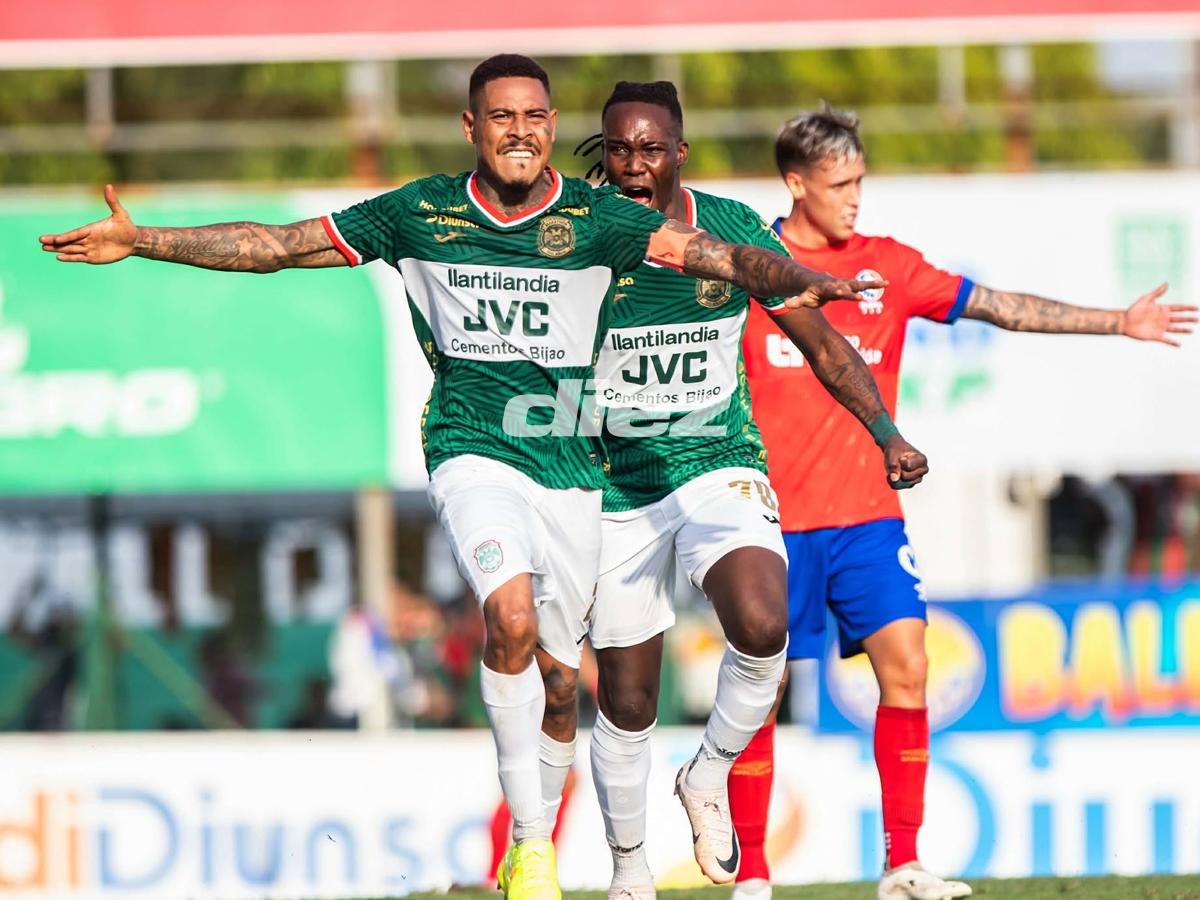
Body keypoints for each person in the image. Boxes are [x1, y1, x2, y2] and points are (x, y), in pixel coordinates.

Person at [39, 57, 883, 900]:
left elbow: (723, 258)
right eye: (502, 115)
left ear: (553, 126)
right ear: (470, 128)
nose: (520, 129)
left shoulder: (595, 218)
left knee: (563, 688)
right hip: (473, 449)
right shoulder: (418, 212)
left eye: (535, 115)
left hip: (574, 470)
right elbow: (277, 248)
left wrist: (811, 278)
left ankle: (592, 838)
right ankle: (534, 852)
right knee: (508, 617)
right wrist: (145, 240)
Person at [733, 105, 1197, 900]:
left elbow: (1000, 307)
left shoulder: (891, 265)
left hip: (868, 520)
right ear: (794, 183)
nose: (855, 198)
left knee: (908, 666)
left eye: (861, 181)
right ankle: (754, 872)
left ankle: (903, 863)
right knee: (757, 695)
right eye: (840, 184)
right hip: (771, 523)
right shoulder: (751, 268)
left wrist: (1117, 321)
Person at [560, 81, 928, 900]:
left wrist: (886, 434)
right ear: (603, 152)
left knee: (762, 623)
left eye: (651, 148)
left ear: (678, 153)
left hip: (717, 463)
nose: (633, 164)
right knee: (626, 697)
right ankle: (628, 869)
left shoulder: (728, 227)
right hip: (616, 485)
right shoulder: (575, 235)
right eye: (619, 148)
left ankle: (709, 773)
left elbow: (825, 345)